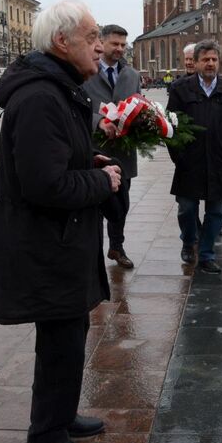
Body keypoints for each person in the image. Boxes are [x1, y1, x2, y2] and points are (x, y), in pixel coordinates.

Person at [0, 0, 122, 443]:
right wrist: (100, 182)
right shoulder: (42, 96)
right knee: (60, 342)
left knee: (69, 335)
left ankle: (60, 417)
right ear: (62, 43)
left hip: (62, 242)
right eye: (91, 38)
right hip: (49, 245)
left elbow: (56, 160)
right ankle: (45, 437)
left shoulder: (59, 88)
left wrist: (90, 161)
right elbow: (45, 184)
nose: (100, 47)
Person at [167, 39, 222, 274]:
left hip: (221, 162)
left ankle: (207, 254)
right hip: (190, 161)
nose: (210, 64)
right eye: (205, 60)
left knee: (216, 212)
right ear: (196, 63)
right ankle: (190, 242)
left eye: (214, 60)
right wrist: (179, 156)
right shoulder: (181, 89)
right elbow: (171, 125)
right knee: (186, 208)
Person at [83, 24, 142, 269]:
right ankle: (92, 252)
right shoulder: (87, 71)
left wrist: (144, 123)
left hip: (123, 151)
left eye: (123, 45)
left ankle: (116, 247)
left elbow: (138, 105)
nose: (119, 49)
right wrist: (99, 122)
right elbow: (77, 107)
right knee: (93, 204)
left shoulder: (132, 74)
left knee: (121, 205)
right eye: (114, 44)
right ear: (102, 42)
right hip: (94, 149)